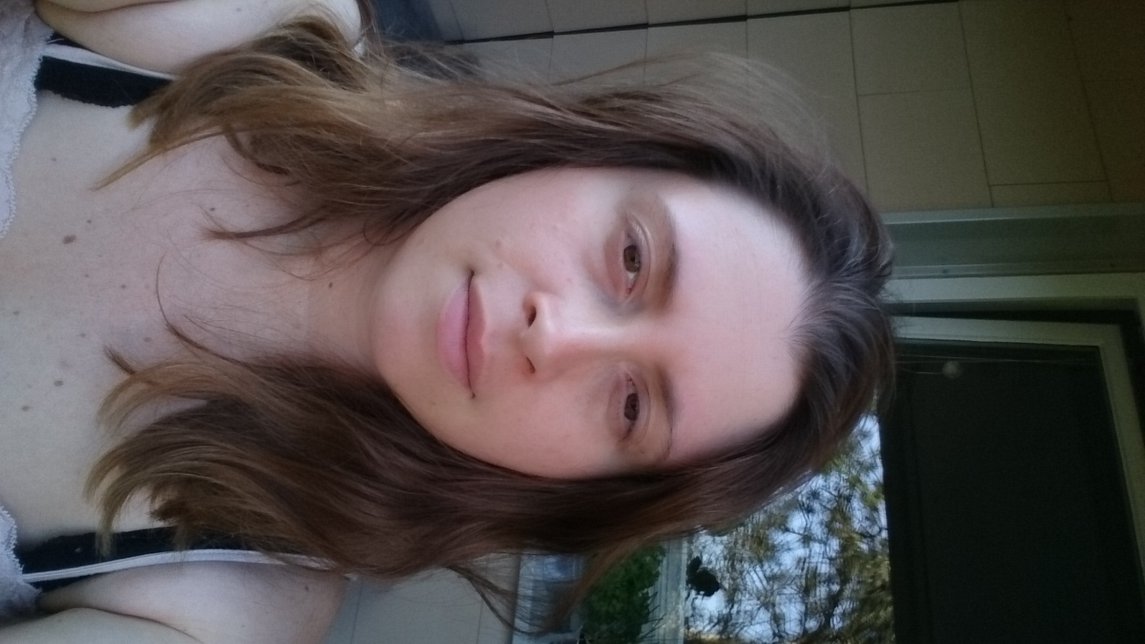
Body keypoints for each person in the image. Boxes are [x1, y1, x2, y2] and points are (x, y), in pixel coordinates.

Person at [0, 0, 895, 641]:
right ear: (587, 154)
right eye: (631, 257)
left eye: (630, 406)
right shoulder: (269, 26)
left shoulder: (224, 607)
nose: (557, 337)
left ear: (577, 488)